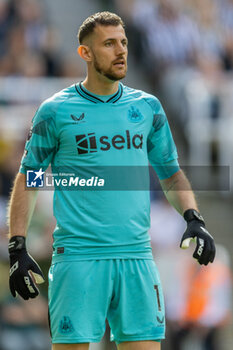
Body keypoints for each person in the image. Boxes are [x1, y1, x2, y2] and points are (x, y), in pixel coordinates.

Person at [7, 11, 216, 350]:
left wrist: (194, 217)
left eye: (124, 43)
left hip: (137, 256)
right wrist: (17, 247)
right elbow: (28, 179)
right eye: (108, 44)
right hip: (78, 258)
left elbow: (171, 173)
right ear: (85, 53)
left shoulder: (148, 107)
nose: (120, 51)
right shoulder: (55, 111)